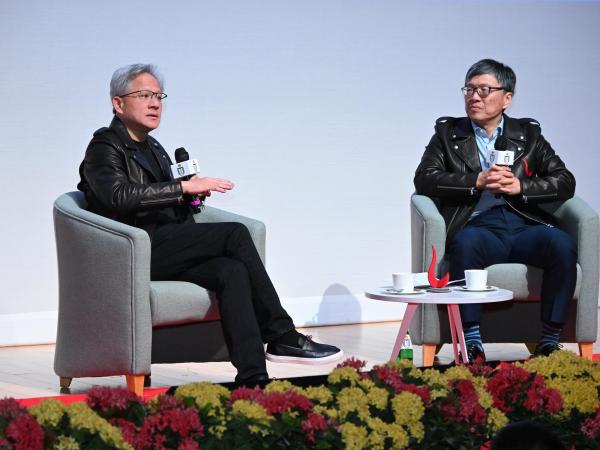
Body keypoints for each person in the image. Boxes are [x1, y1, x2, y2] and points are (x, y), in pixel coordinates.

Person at [78, 63, 342, 384]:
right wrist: (181, 188)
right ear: (118, 103)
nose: (155, 103)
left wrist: (189, 195)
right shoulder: (104, 146)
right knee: (234, 233)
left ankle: (253, 379)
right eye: (144, 95)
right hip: (132, 251)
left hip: (167, 246)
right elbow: (118, 196)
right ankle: (281, 333)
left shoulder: (156, 148)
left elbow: (168, 201)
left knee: (231, 271)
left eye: (159, 96)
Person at [414, 59, 576, 362]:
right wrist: (476, 180)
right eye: (469, 89)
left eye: (484, 90)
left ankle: (550, 341)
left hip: (524, 223)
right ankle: (471, 341)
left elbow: (565, 181)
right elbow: (424, 179)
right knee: (466, 244)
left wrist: (521, 188)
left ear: (507, 98)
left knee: (562, 245)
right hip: (479, 226)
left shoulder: (528, 135)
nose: (474, 97)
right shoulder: (448, 135)